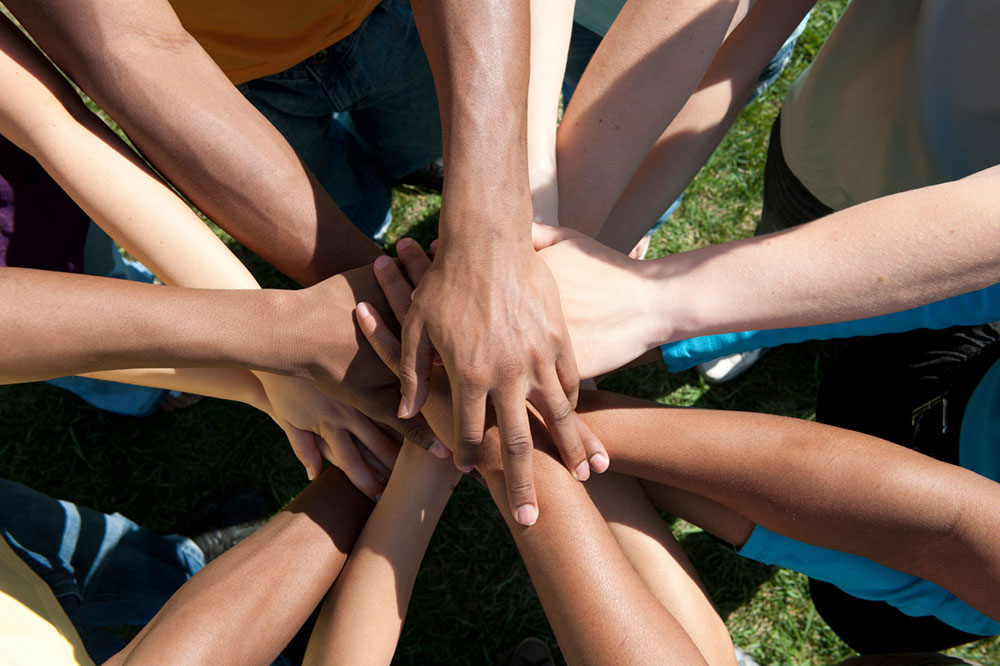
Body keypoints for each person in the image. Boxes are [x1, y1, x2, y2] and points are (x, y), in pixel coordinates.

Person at [2, 0, 619, 525]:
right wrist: (356, 309)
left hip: (385, 21)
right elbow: (124, 52)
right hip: (238, 76)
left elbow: (61, 110)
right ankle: (373, 208)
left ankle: (399, 179)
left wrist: (485, 238)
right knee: (350, 196)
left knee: (414, 142)